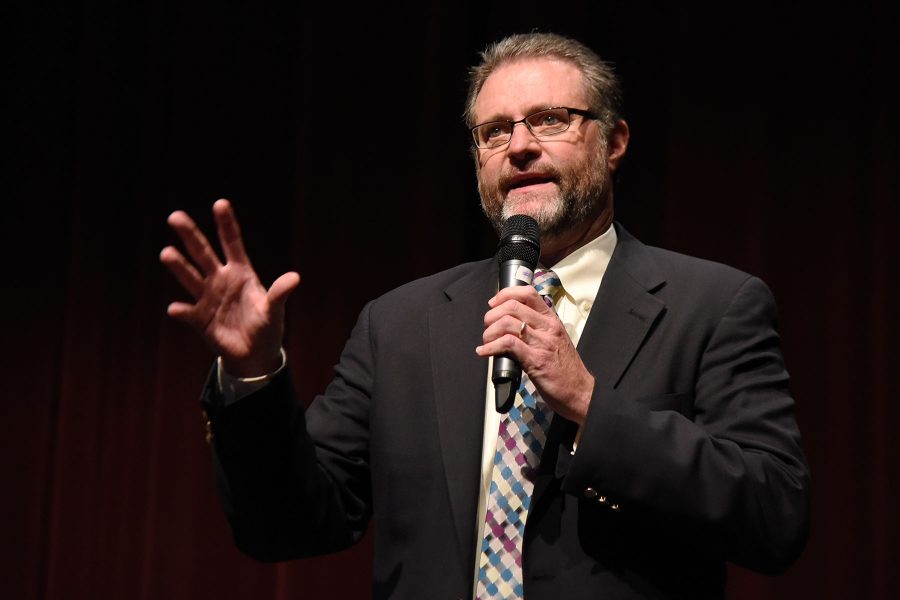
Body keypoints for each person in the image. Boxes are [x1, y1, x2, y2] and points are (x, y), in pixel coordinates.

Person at [161, 33, 810, 600]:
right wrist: (252, 375)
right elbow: (289, 525)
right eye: (494, 131)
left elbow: (774, 516)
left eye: (550, 120)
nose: (519, 147)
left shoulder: (713, 304)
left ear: (613, 141)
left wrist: (589, 403)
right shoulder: (399, 325)